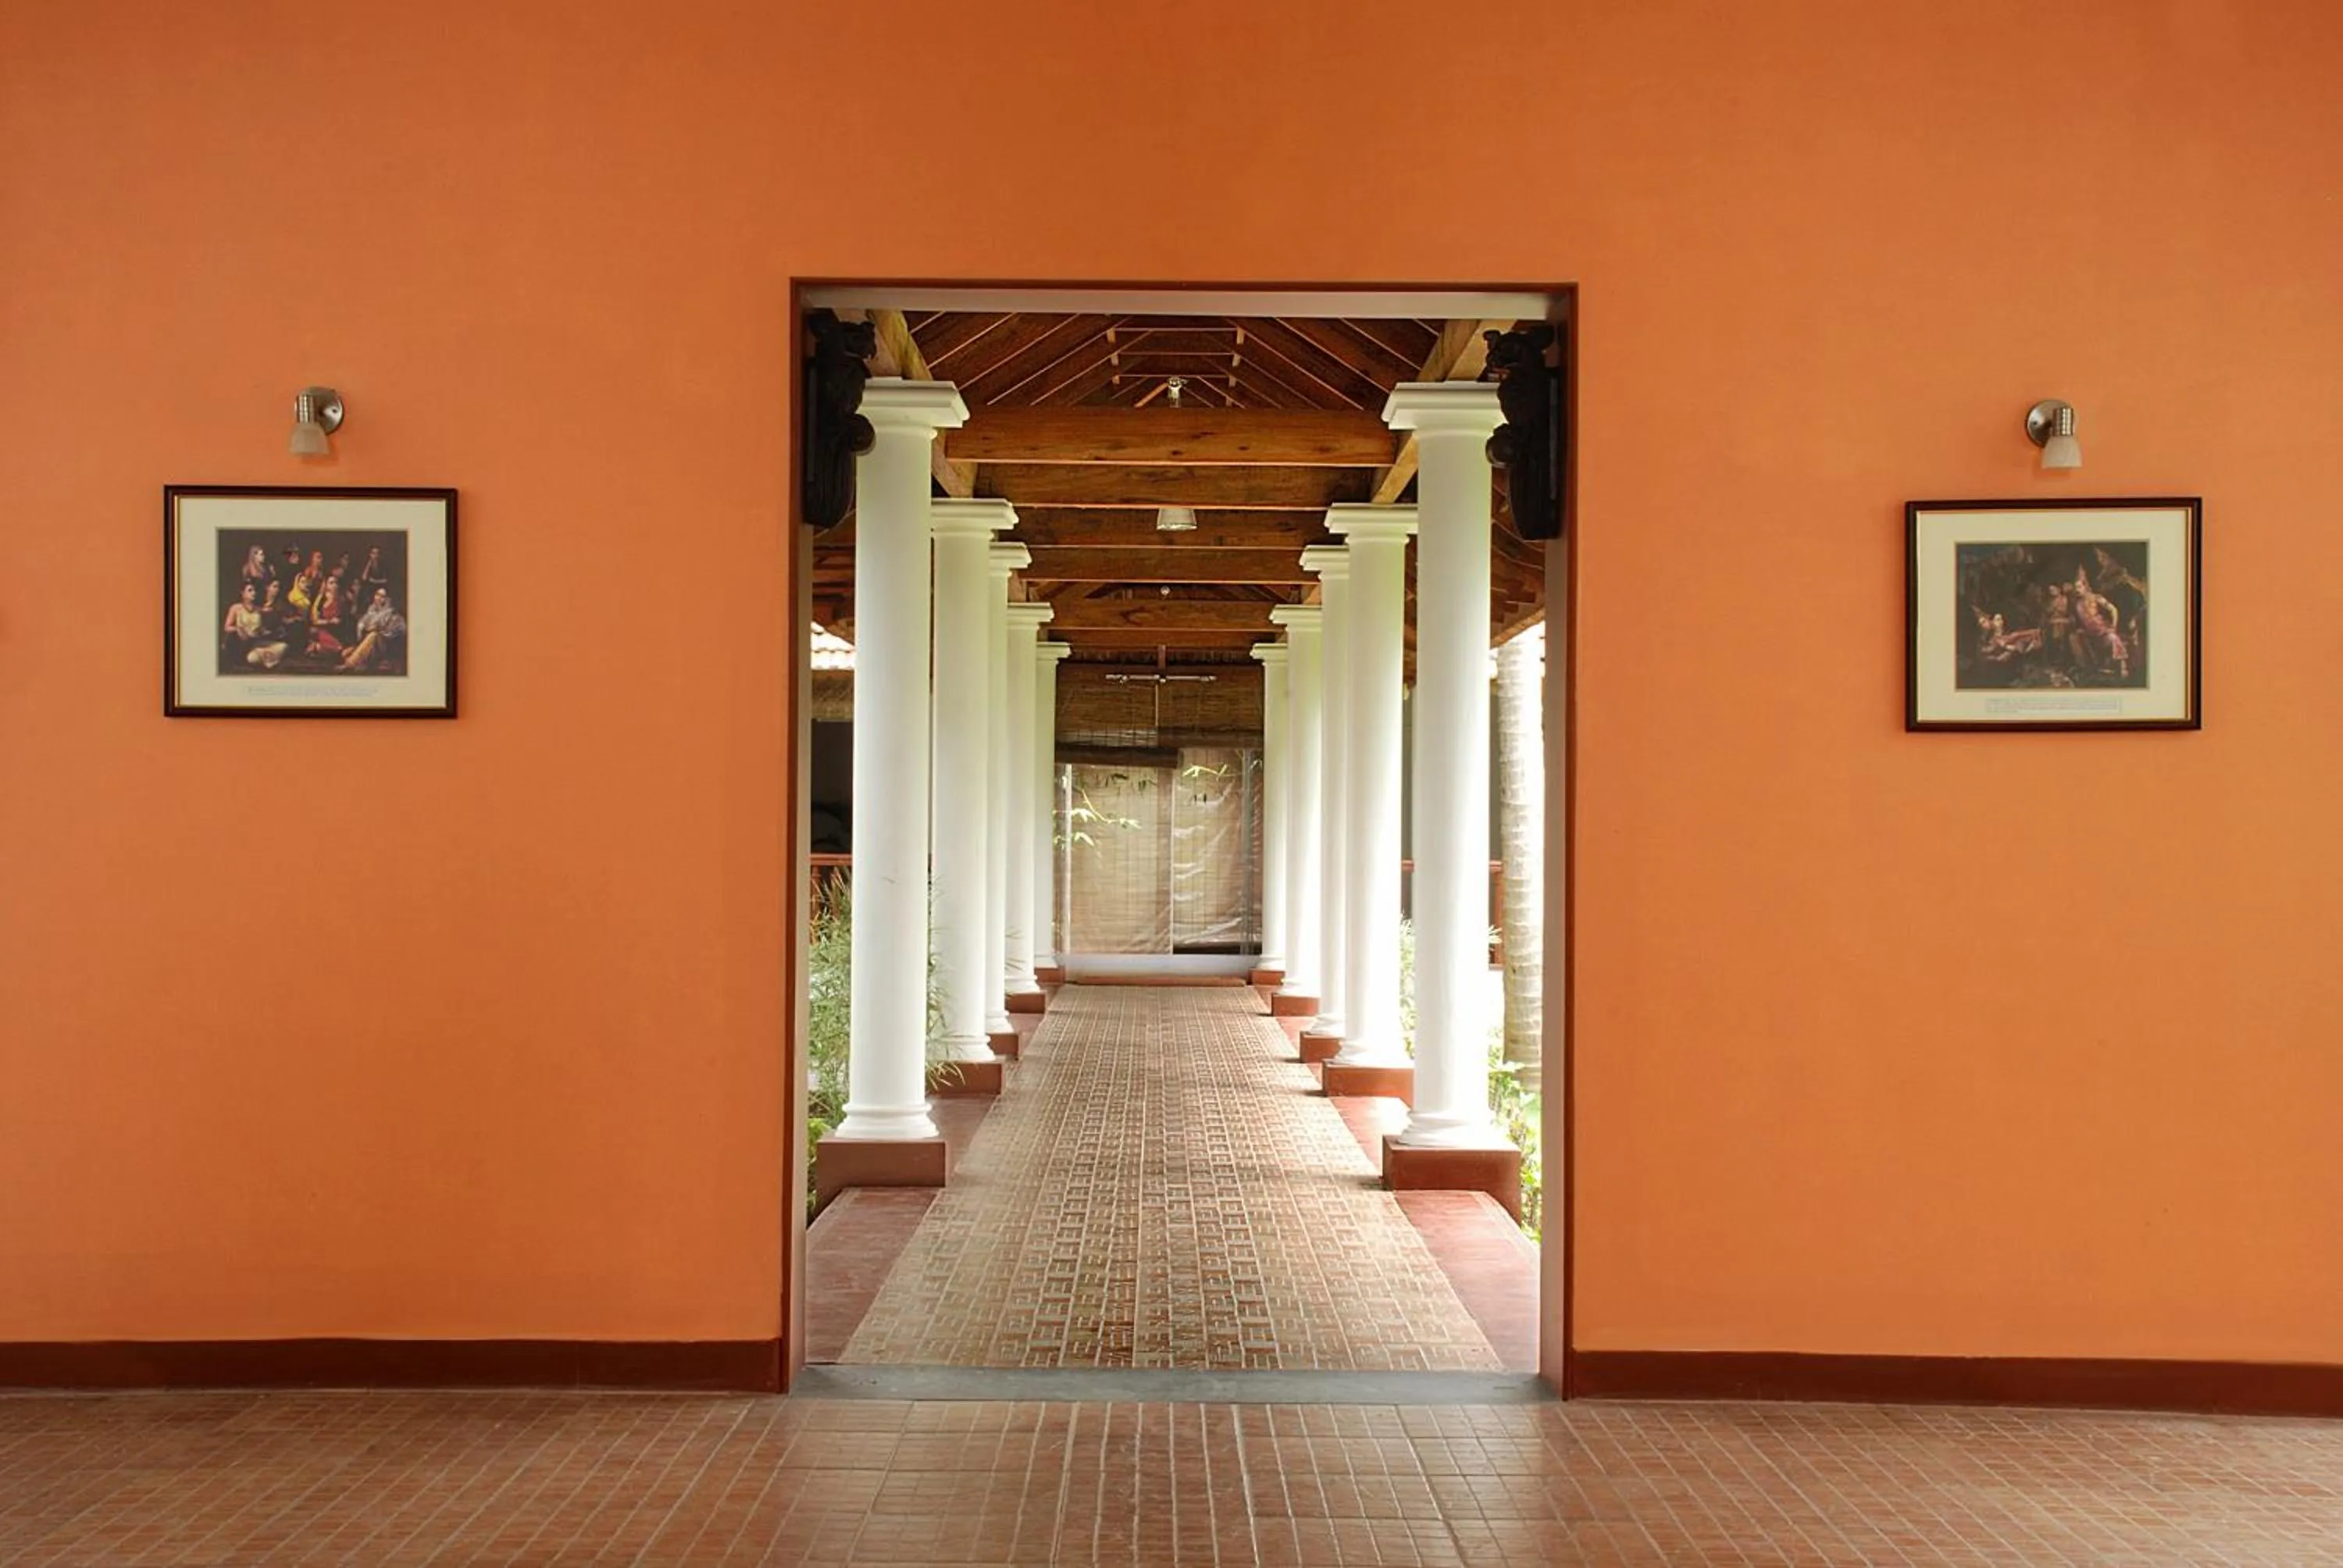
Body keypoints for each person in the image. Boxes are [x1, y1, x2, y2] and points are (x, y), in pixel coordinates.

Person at [341, 586, 407, 671]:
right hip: (369, 641)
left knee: (373, 635)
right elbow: (362, 623)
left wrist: (379, 630)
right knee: (344, 653)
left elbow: (396, 632)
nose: (378, 598)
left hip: (385, 644)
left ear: (388, 599)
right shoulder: (371, 610)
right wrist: (364, 627)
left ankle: (349, 664)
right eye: (377, 595)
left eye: (382, 596)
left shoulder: (392, 613)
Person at [305, 572, 347, 655]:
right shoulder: (321, 600)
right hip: (323, 630)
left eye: (336, 583)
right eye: (331, 583)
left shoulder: (341, 600)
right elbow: (315, 620)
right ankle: (317, 647)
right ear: (326, 585)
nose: (334, 585)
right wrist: (329, 621)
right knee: (338, 649)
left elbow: (343, 618)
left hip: (337, 630)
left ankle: (317, 648)